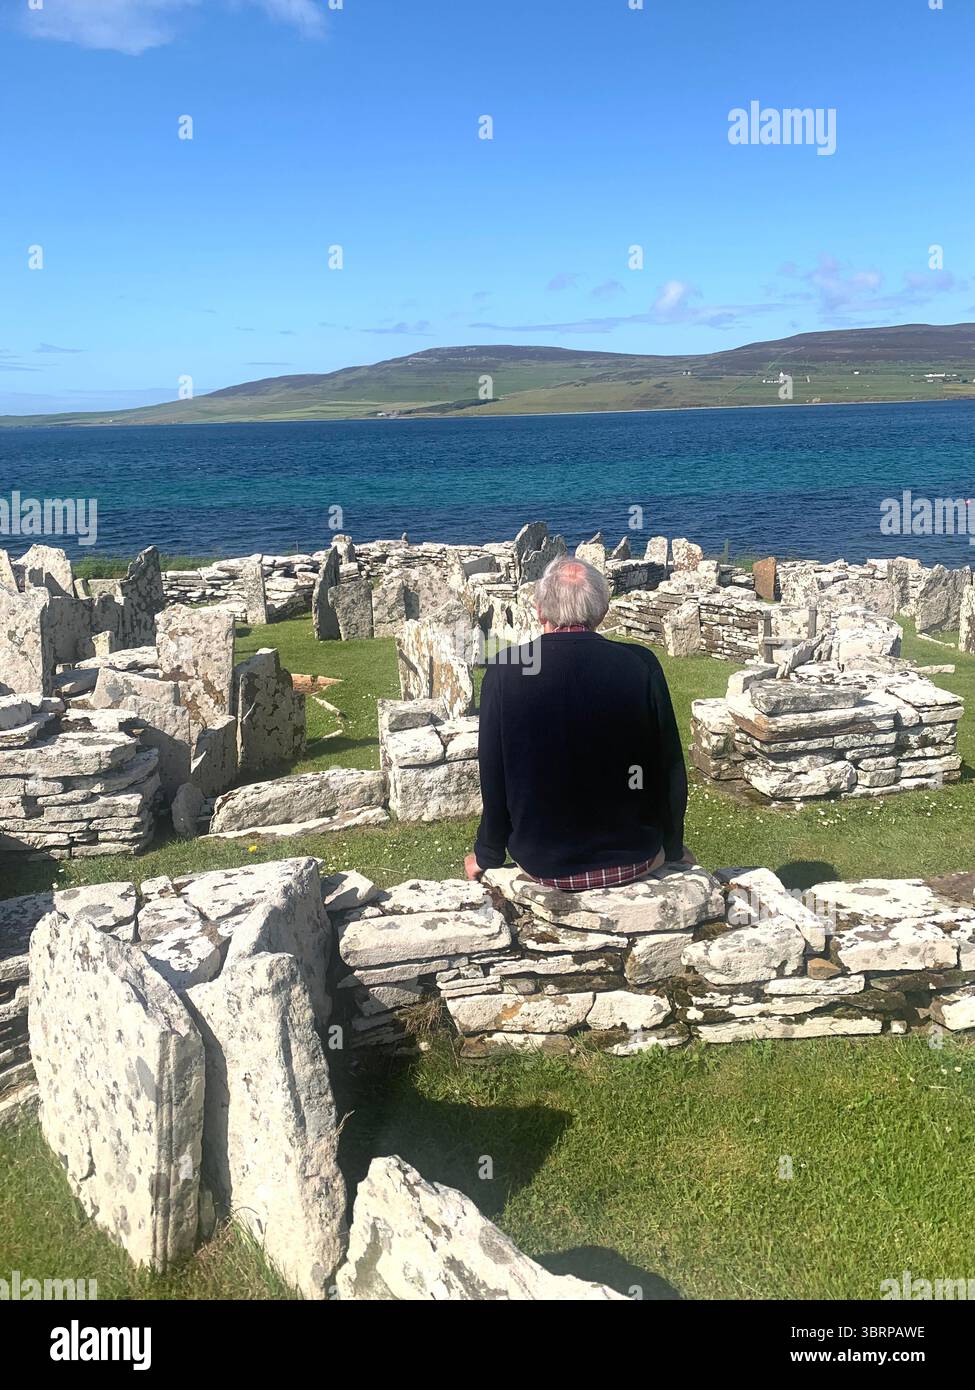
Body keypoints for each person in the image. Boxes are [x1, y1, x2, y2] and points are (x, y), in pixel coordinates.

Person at [464, 554, 693, 889]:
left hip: (543, 863)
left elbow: (494, 774)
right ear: (601, 611)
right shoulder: (640, 664)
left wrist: (487, 854)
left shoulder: (505, 670)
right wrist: (672, 847)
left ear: (540, 610)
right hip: (634, 857)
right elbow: (668, 765)